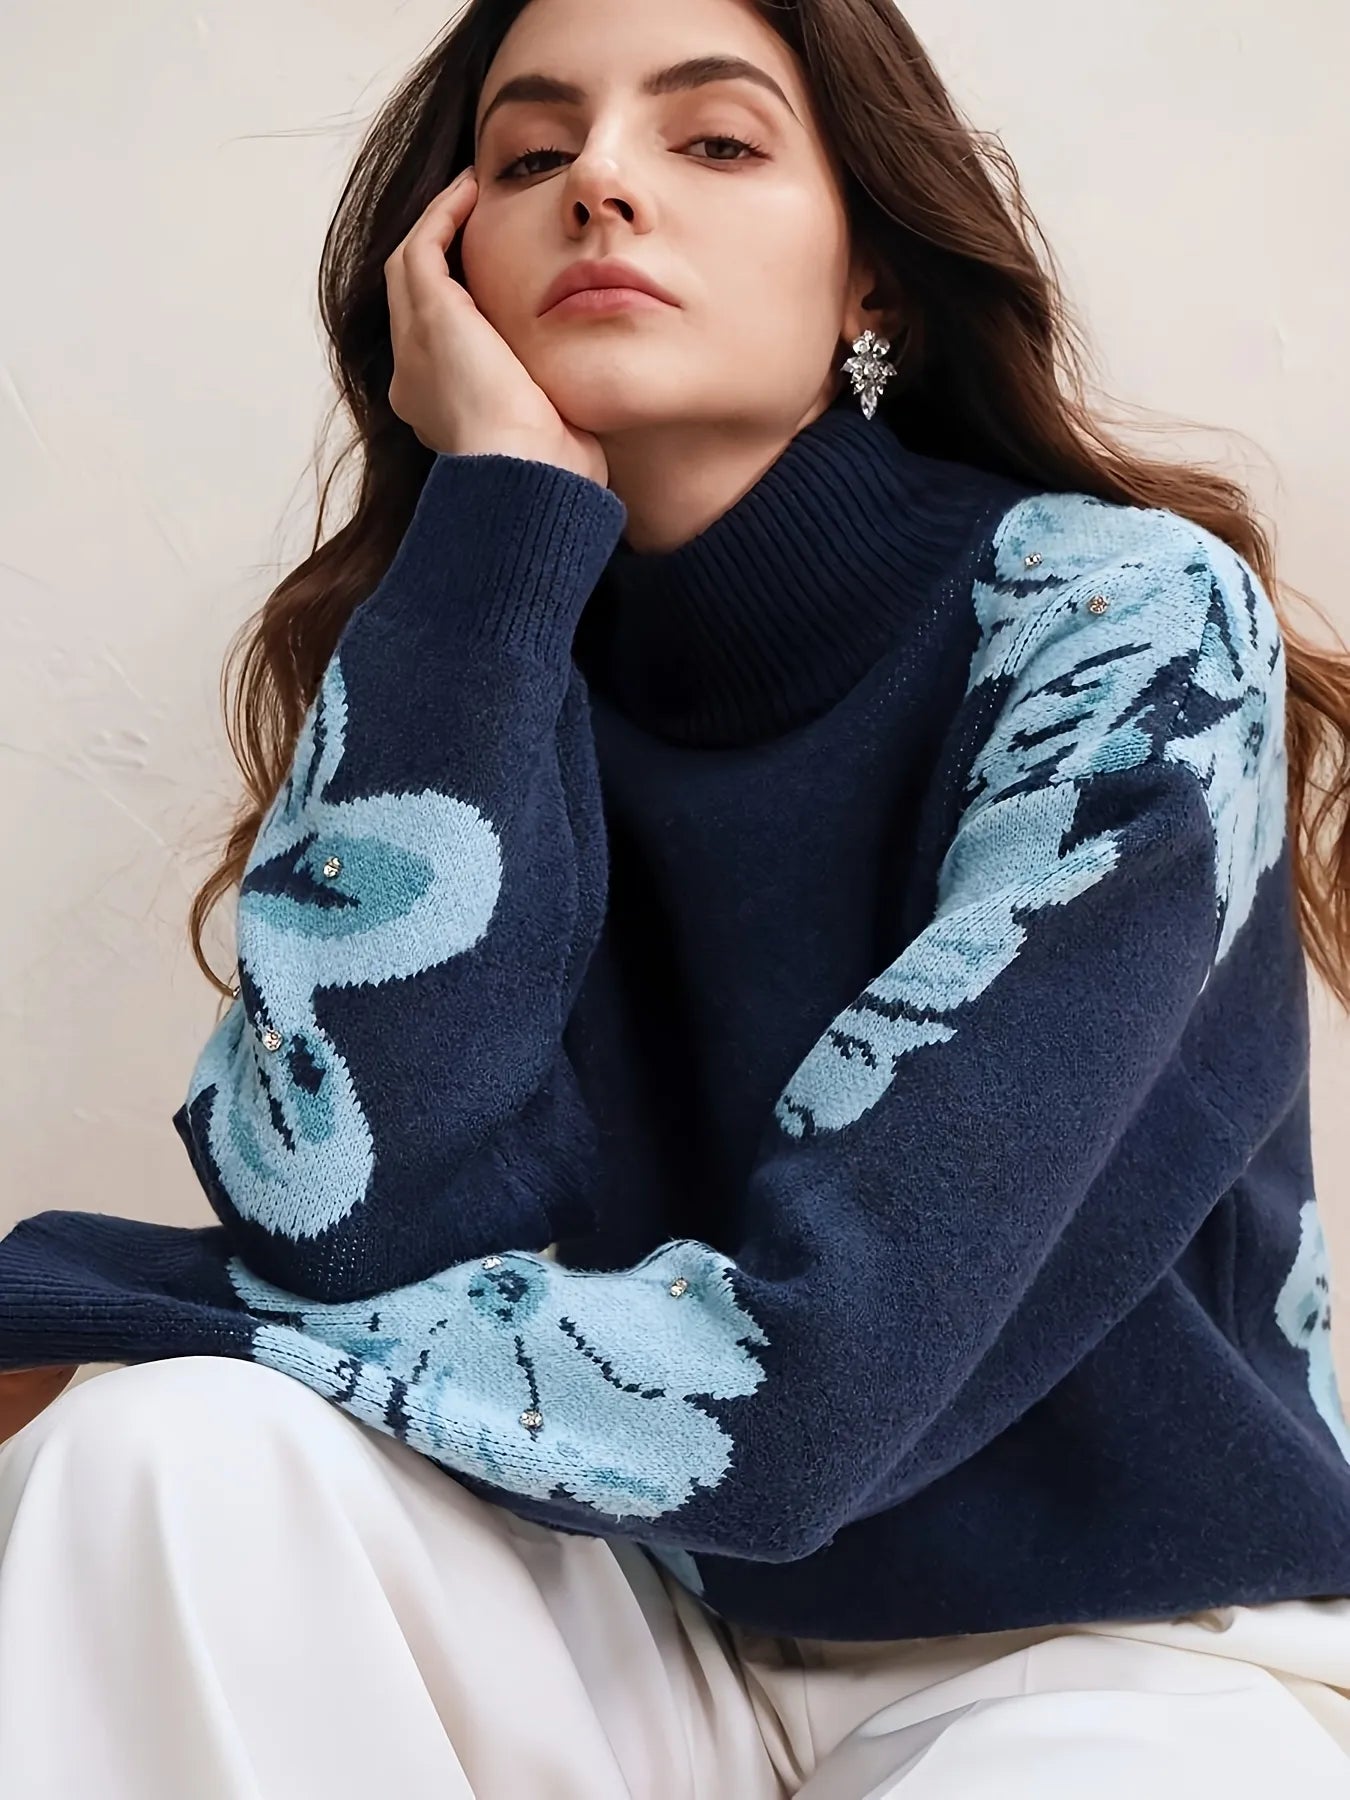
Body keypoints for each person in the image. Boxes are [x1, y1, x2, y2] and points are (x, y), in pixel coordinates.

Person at [2, 0, 1350, 1792]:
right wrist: (489, 541)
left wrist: (77, 1288)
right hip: (653, 1628)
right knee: (156, 1465)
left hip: (1116, 1664)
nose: (604, 187)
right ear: (449, 264)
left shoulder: (1119, 627)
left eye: (711, 141)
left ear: (872, 277)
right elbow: (335, 1213)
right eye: (529, 152)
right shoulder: (462, 647)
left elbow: (798, 1396)